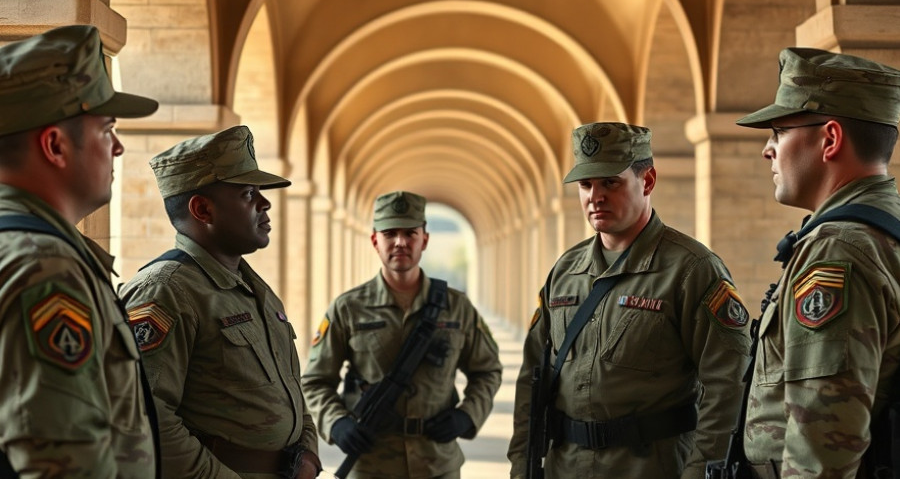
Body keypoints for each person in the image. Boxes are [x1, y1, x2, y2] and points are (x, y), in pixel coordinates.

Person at [507, 122, 752, 479]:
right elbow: (532, 376)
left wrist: (701, 472)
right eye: (586, 185)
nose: (595, 196)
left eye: (610, 182)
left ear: (647, 181)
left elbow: (728, 385)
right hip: (567, 468)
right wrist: (521, 467)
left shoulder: (691, 270)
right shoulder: (565, 271)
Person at [0, 25, 160, 476]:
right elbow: (65, 465)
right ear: (55, 145)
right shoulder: (44, 267)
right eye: (107, 129)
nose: (118, 147)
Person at [118, 125, 322, 478]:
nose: (265, 203)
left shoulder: (252, 288)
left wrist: (309, 453)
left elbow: (290, 386)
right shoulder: (166, 291)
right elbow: (144, 416)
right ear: (202, 209)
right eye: (248, 193)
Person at [735, 48, 900, 478]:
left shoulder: (837, 252)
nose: (768, 150)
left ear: (830, 139)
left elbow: (822, 452)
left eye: (779, 132)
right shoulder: (883, 230)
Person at [301, 190, 503, 479]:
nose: (400, 242)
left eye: (410, 233)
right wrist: (336, 422)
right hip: (371, 466)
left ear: (424, 240)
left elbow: (487, 370)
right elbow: (315, 381)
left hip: (437, 465)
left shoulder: (457, 306)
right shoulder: (348, 308)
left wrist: (467, 415)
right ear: (375, 241)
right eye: (390, 233)